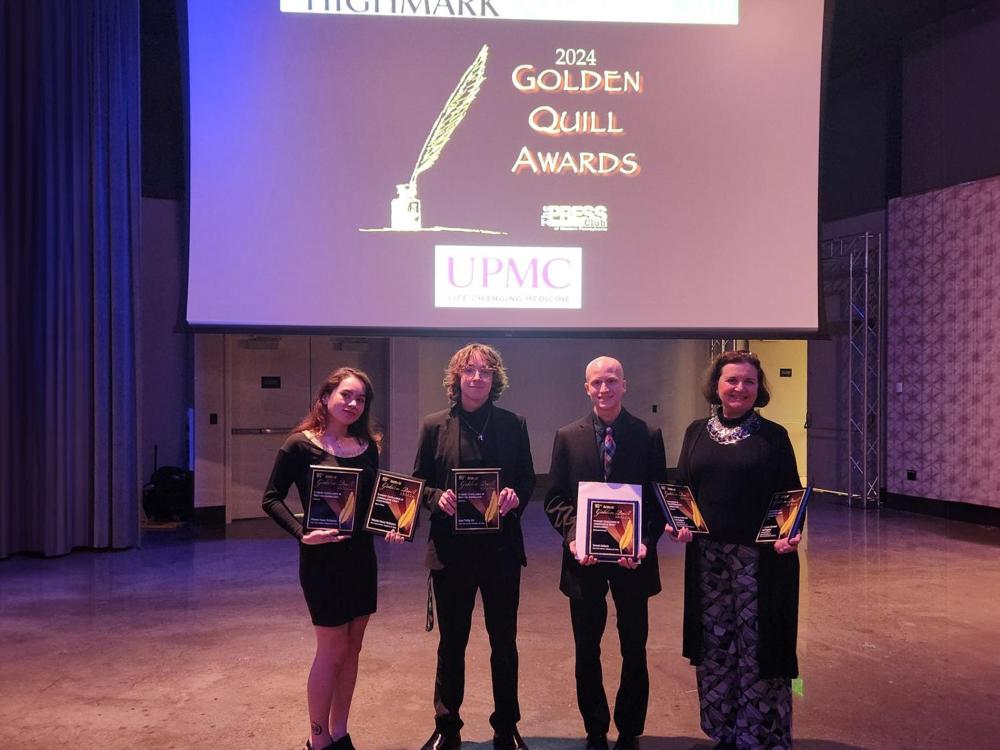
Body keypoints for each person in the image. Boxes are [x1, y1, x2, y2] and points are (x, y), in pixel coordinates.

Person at [262, 367, 402, 750]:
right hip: (322, 561)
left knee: (354, 646)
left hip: (362, 559)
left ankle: (340, 732)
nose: (353, 404)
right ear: (326, 397)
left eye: (361, 399)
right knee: (331, 649)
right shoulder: (298, 444)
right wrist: (302, 533)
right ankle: (318, 739)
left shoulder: (368, 446)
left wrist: (392, 525)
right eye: (346, 395)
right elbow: (271, 498)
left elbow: (374, 503)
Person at [673, 351, 802, 750]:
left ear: (758, 388)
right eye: (732, 380)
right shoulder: (695, 432)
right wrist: (678, 523)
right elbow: (683, 492)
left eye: (748, 381)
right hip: (708, 559)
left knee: (757, 646)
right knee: (716, 646)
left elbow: (789, 495)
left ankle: (760, 733)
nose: (739, 388)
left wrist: (789, 532)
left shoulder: (774, 436)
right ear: (716, 385)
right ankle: (725, 729)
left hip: (760, 561)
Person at [414, 343, 536, 750]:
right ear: (457, 378)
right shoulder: (434, 425)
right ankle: (447, 728)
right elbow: (419, 483)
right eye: (470, 371)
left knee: (504, 643)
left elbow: (526, 478)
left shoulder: (513, 423)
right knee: (452, 644)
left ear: (494, 379)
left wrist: (516, 496)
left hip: (500, 552)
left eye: (485, 371)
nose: (478, 378)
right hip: (451, 553)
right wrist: (436, 499)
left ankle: (506, 725)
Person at [543, 356, 667, 750]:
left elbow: (659, 498)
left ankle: (630, 729)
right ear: (586, 388)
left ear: (624, 385)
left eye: (611, 381)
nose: (604, 388)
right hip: (585, 561)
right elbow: (556, 498)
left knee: (634, 647)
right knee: (586, 649)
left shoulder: (648, 434)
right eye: (596, 382)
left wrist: (645, 542)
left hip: (635, 561)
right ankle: (595, 727)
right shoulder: (567, 436)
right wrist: (573, 537)